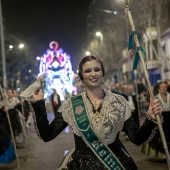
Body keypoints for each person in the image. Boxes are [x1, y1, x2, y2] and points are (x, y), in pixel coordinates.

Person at [22, 55, 161, 170]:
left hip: (116, 164)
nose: (93, 74)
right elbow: (47, 135)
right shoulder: (71, 104)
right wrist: (38, 104)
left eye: (97, 69)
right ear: (81, 77)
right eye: (88, 71)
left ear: (102, 73)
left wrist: (150, 119)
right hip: (82, 165)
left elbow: (137, 139)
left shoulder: (119, 102)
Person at [141, 81, 170, 159]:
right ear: (159, 88)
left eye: (165, 87)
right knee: (159, 135)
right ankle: (163, 154)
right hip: (161, 118)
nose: (164, 88)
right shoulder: (155, 98)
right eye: (162, 87)